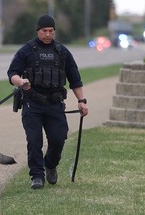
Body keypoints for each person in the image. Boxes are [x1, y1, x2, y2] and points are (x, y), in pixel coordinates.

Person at [7, 14, 88, 189]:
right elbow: (12, 73)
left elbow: (75, 79)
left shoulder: (62, 52)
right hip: (32, 103)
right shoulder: (27, 50)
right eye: (45, 31)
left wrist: (82, 100)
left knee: (58, 138)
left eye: (51, 31)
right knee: (34, 141)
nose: (48, 35)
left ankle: (50, 165)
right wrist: (21, 82)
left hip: (54, 104)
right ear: (38, 31)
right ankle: (37, 176)